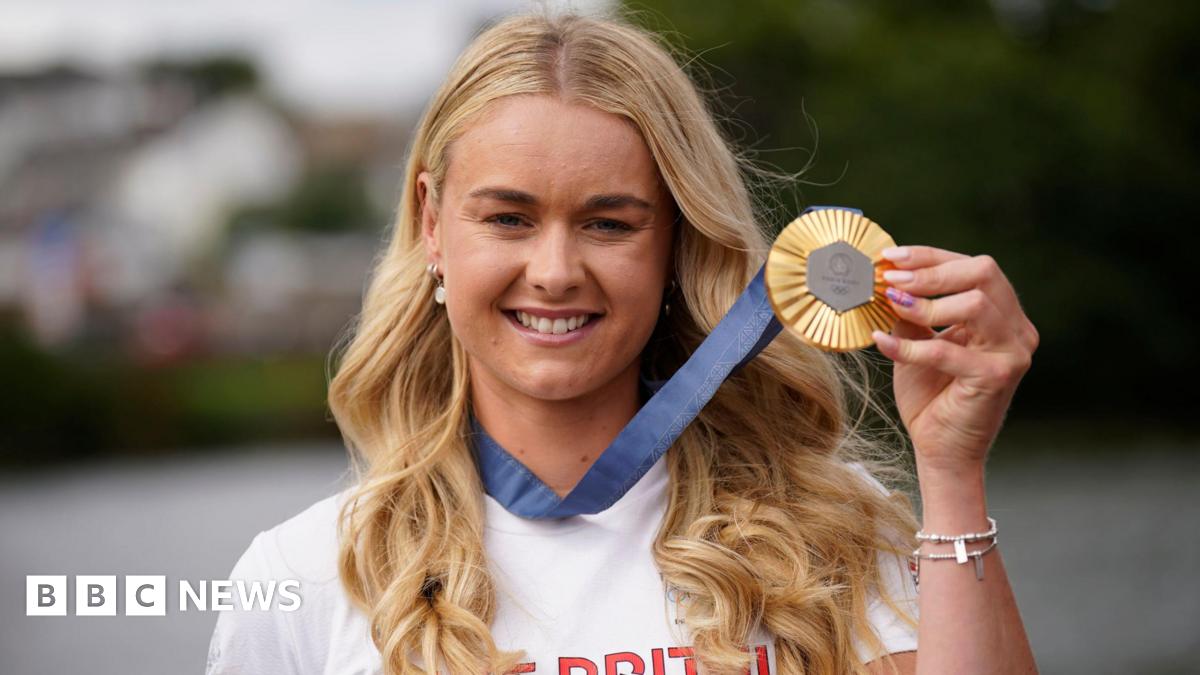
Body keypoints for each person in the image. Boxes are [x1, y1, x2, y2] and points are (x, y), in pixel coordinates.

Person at [207, 9, 1039, 675]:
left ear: (675, 241)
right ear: (432, 222)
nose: (556, 270)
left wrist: (952, 471)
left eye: (609, 223)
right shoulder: (306, 575)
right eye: (509, 218)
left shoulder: (833, 527)